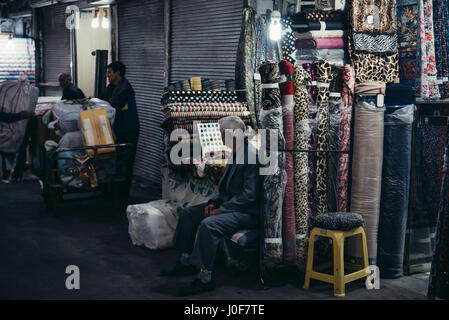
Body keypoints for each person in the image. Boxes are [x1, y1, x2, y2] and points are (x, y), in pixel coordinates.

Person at [160, 116, 261, 296]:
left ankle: (205, 278)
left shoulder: (250, 156)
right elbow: (224, 187)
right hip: (231, 206)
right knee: (188, 214)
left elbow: (249, 196)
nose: (220, 138)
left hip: (246, 212)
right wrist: (214, 202)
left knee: (209, 225)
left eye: (222, 134)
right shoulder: (236, 152)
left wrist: (221, 210)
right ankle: (186, 261)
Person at [101, 61, 140, 201]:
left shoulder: (125, 88)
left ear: (118, 73)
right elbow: (103, 101)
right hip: (117, 128)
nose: (107, 75)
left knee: (126, 162)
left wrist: (108, 102)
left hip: (128, 129)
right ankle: (112, 191)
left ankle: (123, 195)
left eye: (110, 72)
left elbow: (112, 104)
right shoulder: (110, 87)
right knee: (114, 161)